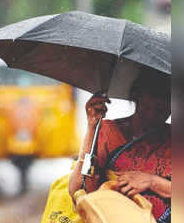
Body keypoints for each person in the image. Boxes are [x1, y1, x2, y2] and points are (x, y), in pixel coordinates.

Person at [69, 70, 171, 223]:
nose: (162, 104)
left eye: (169, 97)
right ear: (137, 94)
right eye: (156, 95)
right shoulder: (109, 132)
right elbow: (77, 189)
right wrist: (92, 127)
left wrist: (152, 181)